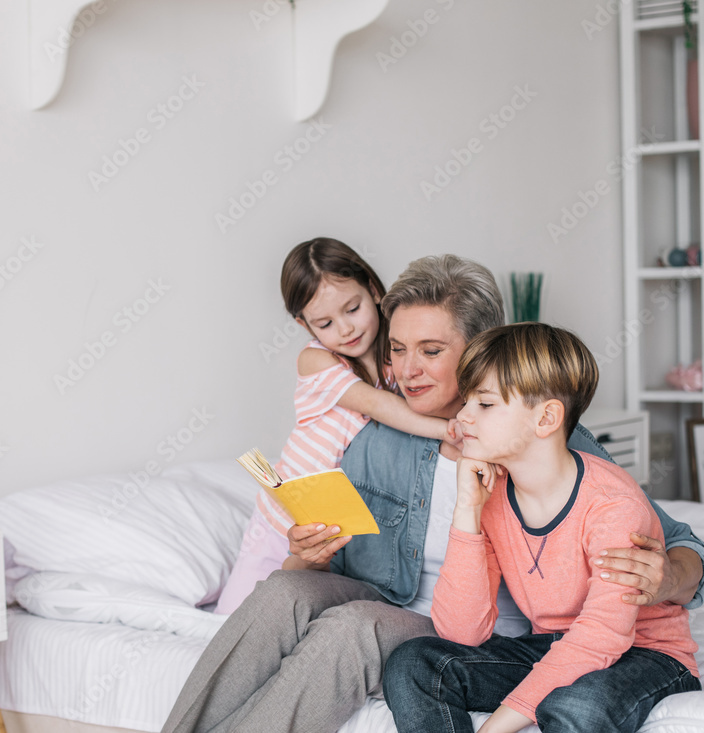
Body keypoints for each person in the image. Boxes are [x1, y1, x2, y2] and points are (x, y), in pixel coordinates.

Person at [162, 255, 704, 733]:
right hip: (391, 602)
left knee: (353, 629)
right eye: (397, 350)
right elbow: (338, 569)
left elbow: (678, 544)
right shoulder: (372, 439)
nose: (407, 370)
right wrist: (306, 557)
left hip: (480, 632)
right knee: (283, 589)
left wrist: (666, 578)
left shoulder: (545, 439)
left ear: (480, 350)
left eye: (431, 350)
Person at [382, 323, 700, 733]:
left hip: (646, 654)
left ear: (547, 417)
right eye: (467, 401)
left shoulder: (613, 505)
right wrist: (467, 510)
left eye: (485, 404)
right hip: (553, 645)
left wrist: (494, 728)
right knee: (414, 662)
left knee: (575, 708)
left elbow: (601, 637)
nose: (461, 416)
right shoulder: (492, 495)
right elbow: (462, 631)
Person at [215, 238, 453, 614]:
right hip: (283, 518)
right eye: (325, 323)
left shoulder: (396, 357)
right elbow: (378, 405)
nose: (345, 329)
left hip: (336, 522)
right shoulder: (316, 361)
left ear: (374, 290)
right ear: (303, 324)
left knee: (297, 617)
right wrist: (447, 429)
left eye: (353, 309)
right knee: (236, 621)